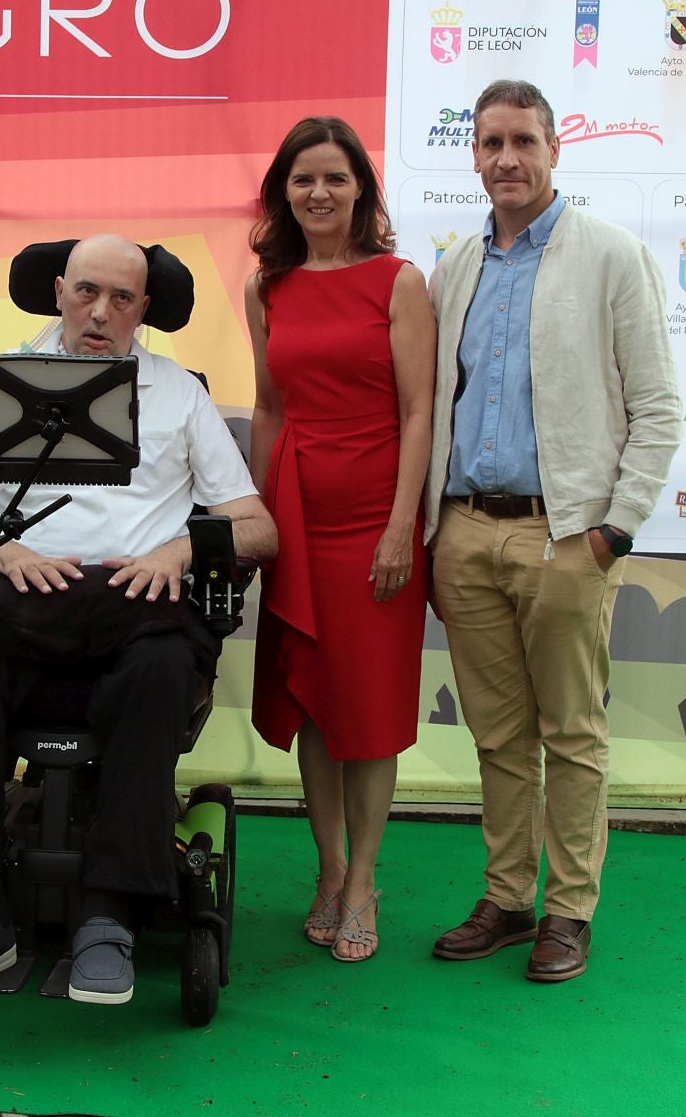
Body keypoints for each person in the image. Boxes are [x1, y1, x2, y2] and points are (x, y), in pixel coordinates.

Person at [0, 233, 277, 1006]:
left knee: (165, 667)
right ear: (59, 290)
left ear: (145, 309)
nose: (100, 313)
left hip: (138, 615)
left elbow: (258, 527)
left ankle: (110, 917)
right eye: (86, 292)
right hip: (20, 607)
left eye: (123, 298)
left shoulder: (178, 394)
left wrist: (180, 548)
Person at [424, 79, 681, 984]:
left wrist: (615, 529)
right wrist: (431, 534)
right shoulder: (455, 268)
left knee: (571, 734)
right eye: (490, 142)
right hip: (463, 535)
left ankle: (569, 912)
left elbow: (656, 406)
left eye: (522, 141)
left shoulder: (611, 255)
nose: (506, 159)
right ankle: (507, 897)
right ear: (474, 153)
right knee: (497, 736)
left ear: (554, 147)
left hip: (565, 537)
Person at [244, 117, 435, 964]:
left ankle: (365, 879)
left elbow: (420, 410)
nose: (318, 193)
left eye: (334, 177)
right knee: (315, 703)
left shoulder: (398, 283)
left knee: (370, 712)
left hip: (375, 528)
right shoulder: (265, 288)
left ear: (361, 187)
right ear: (282, 193)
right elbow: (270, 409)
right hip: (295, 522)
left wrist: (404, 525)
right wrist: (255, 519)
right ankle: (326, 870)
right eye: (301, 180)